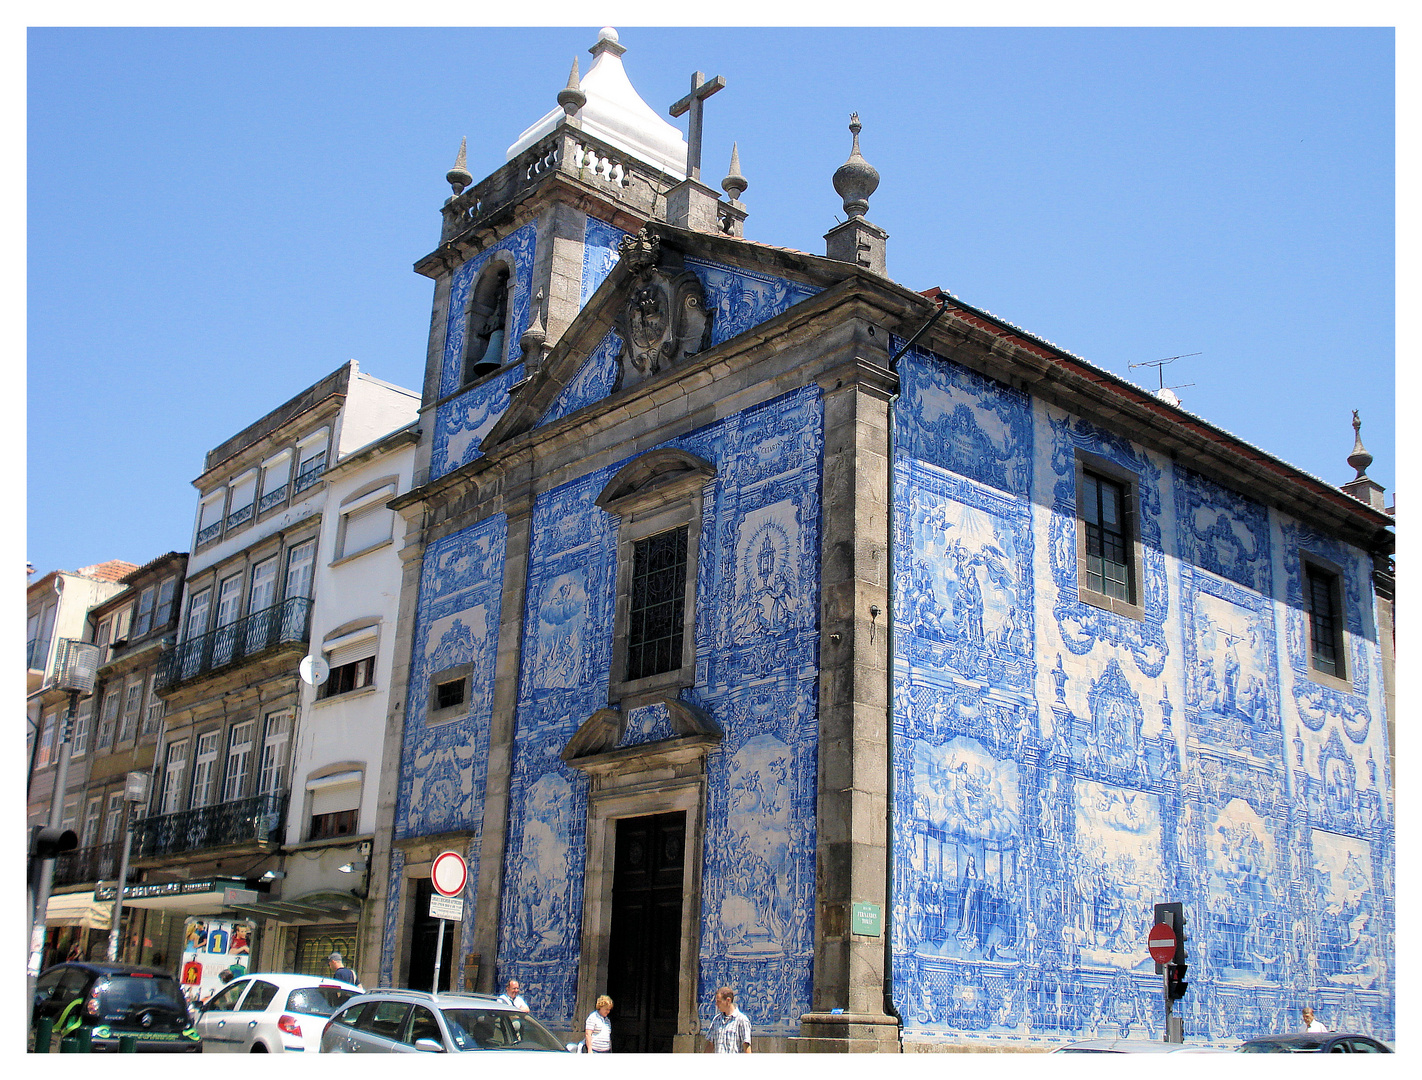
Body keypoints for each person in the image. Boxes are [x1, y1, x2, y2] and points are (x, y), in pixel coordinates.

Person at [704, 987, 752, 1054]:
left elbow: (746, 1047)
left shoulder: (742, 1020)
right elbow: (710, 1045)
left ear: (728, 1001)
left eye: (719, 1002)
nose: (716, 1005)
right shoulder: (716, 1020)